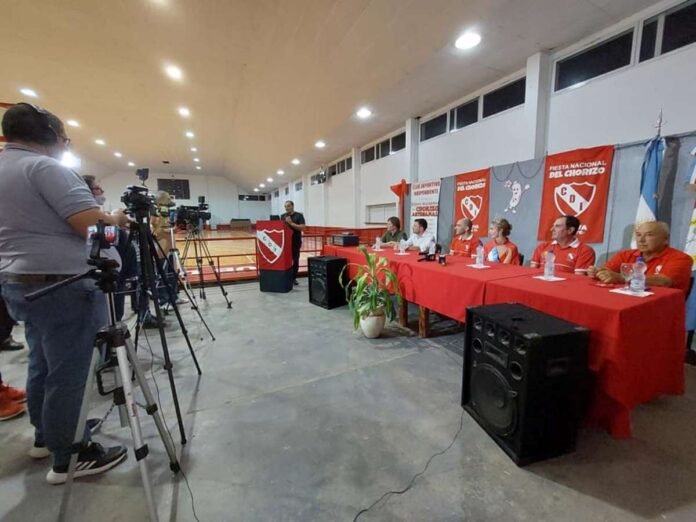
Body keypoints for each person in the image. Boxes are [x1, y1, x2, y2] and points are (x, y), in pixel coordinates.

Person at [0, 103, 129, 484]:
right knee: (71, 371)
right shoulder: (44, 168)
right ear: (52, 135)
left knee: (42, 362)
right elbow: (94, 228)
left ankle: (48, 435)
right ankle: (70, 455)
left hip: (21, 283)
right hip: (64, 285)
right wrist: (115, 219)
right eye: (65, 139)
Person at [588, 221, 692, 293]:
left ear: (666, 239)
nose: (641, 240)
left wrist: (621, 278)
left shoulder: (681, 258)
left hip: (660, 309)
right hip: (626, 300)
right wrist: (598, 272)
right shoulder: (625, 254)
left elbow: (664, 281)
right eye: (638, 235)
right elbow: (607, 270)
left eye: (649, 235)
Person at [530, 215, 596, 274]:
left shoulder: (585, 251)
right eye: (553, 226)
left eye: (557, 226)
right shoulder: (542, 246)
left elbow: (578, 279)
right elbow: (531, 272)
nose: (551, 229)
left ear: (570, 230)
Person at [280, 200, 306, 285]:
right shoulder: (283, 216)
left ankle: (294, 277)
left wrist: (291, 223)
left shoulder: (299, 215)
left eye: (288, 206)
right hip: (285, 242)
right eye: (285, 206)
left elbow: (303, 228)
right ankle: (286, 277)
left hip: (296, 241)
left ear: (292, 206)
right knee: (286, 260)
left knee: (295, 260)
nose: (286, 208)